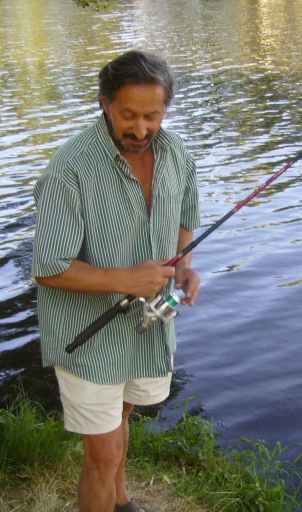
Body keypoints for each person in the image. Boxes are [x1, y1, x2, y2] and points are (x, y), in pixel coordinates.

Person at [32, 50, 201, 512]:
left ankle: (122, 502)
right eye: (129, 114)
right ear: (105, 103)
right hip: (87, 337)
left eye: (153, 115)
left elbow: (186, 216)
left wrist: (183, 265)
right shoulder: (70, 169)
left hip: (146, 328)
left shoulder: (177, 154)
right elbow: (49, 265)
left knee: (123, 417)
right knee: (101, 454)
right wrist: (126, 279)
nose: (141, 129)